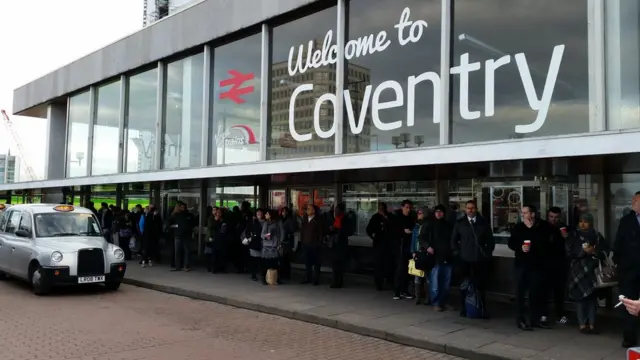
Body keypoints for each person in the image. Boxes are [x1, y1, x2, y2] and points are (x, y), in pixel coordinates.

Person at [508, 205, 551, 330]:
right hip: (521, 265)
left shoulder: (541, 227)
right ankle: (520, 319)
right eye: (522, 213)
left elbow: (547, 243)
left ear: (532, 214)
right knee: (520, 293)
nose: (523, 215)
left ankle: (534, 319)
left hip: (537, 265)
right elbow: (511, 243)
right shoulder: (519, 227)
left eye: (526, 213)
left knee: (535, 293)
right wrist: (520, 247)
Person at [451, 200, 495, 318]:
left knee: (480, 285)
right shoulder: (460, 223)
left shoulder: (483, 223)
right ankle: (464, 308)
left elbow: (490, 240)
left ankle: (481, 308)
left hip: (479, 260)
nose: (470, 210)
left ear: (476, 209)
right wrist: (457, 253)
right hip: (464, 259)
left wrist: (487, 253)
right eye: (468, 208)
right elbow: (453, 240)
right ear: (465, 209)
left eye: (473, 208)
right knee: (464, 285)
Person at [566, 213, 606, 334]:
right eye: (581, 221)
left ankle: (592, 324)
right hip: (577, 271)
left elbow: (605, 251)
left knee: (591, 299)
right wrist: (582, 252)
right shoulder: (573, 235)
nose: (583, 224)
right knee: (580, 298)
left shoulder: (597, 236)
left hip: (592, 271)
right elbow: (568, 251)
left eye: (586, 221)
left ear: (591, 223)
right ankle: (582, 324)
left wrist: (593, 251)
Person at [614, 191, 640, 348]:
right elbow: (618, 245)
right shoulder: (626, 220)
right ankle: (629, 337)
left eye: (636, 200)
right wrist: (621, 264)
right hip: (629, 271)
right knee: (629, 305)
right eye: (633, 199)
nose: (633, 202)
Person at [539, 207, 570, 325]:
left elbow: (570, 247)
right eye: (551, 217)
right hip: (545, 264)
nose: (553, 220)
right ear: (548, 217)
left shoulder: (563, 228)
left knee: (559, 291)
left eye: (556, 217)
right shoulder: (543, 228)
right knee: (544, 291)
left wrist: (566, 238)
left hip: (560, 264)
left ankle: (560, 313)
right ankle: (543, 314)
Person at [425, 204, 454, 311]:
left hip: (447, 256)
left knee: (446, 283)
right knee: (436, 283)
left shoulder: (448, 225)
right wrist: (427, 247)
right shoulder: (429, 224)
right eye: (437, 211)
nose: (439, 213)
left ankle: (443, 302)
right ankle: (436, 302)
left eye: (441, 211)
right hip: (435, 257)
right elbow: (422, 237)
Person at [367, 203, 395, 291]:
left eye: (382, 209)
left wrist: (386, 218)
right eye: (380, 209)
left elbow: (394, 227)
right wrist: (373, 236)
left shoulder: (390, 217)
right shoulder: (375, 217)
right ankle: (378, 283)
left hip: (388, 244)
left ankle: (390, 281)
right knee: (378, 264)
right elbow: (369, 229)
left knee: (389, 263)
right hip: (378, 244)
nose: (381, 210)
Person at [393, 200, 415, 300]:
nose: (408, 209)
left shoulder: (412, 218)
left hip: (409, 246)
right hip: (400, 247)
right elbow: (392, 230)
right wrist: (403, 231)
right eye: (406, 207)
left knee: (408, 270)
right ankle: (397, 291)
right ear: (402, 207)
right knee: (400, 269)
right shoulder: (397, 218)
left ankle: (405, 290)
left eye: (410, 207)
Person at [168, 201, 195, 272]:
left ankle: (186, 266)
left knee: (187, 251)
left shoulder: (189, 215)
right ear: (178, 207)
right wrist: (176, 227)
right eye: (181, 207)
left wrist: (189, 229)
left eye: (184, 207)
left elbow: (193, 223)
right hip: (178, 235)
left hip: (186, 236)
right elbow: (169, 224)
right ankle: (178, 266)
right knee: (177, 252)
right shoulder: (175, 215)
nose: (183, 208)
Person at [300, 204, 324, 285]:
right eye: (307, 208)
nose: (307, 210)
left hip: (315, 245)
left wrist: (319, 243)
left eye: (309, 209)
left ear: (314, 210)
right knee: (307, 263)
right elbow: (302, 231)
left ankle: (316, 279)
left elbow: (321, 233)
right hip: (306, 244)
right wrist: (302, 242)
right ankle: (307, 277)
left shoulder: (318, 220)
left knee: (316, 263)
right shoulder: (305, 218)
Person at [410, 207, 429, 305]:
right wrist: (413, 251)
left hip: (426, 252)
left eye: (421, 213)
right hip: (417, 252)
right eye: (418, 213)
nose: (419, 214)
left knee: (427, 276)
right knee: (417, 275)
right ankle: (417, 296)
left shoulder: (428, 224)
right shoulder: (416, 225)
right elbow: (413, 239)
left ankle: (427, 297)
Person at [329, 203, 350, 289]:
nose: (335, 211)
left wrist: (336, 229)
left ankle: (338, 282)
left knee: (339, 265)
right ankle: (335, 281)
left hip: (341, 245)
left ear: (341, 211)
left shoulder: (345, 219)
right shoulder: (336, 219)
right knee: (334, 264)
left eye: (336, 210)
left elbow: (346, 231)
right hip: (335, 244)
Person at [243, 208, 265, 281]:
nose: (259, 213)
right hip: (254, 242)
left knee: (261, 260)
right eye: (258, 212)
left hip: (262, 243)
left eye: (260, 212)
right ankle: (254, 274)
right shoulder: (252, 221)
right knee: (254, 259)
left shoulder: (266, 222)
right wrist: (249, 237)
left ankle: (262, 275)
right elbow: (247, 231)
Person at [261, 210, 281, 285]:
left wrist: (279, 243)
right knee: (266, 263)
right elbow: (262, 235)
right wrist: (266, 236)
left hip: (274, 245)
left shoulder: (277, 223)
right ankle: (264, 278)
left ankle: (275, 278)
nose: (266, 215)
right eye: (266, 213)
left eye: (267, 214)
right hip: (267, 245)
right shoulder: (266, 223)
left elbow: (279, 234)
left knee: (275, 263)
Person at [207, 207, 228, 274]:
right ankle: (214, 268)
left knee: (222, 254)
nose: (218, 214)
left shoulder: (224, 220)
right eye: (217, 212)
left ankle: (222, 268)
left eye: (219, 212)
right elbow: (211, 227)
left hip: (223, 239)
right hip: (215, 238)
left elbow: (224, 229)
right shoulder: (213, 219)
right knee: (214, 255)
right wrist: (216, 220)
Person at [279, 207, 298, 281]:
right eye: (283, 211)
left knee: (286, 259)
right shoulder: (280, 220)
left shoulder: (290, 220)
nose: (284, 213)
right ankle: (283, 274)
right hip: (282, 241)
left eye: (285, 211)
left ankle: (286, 274)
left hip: (287, 241)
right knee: (282, 259)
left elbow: (293, 230)